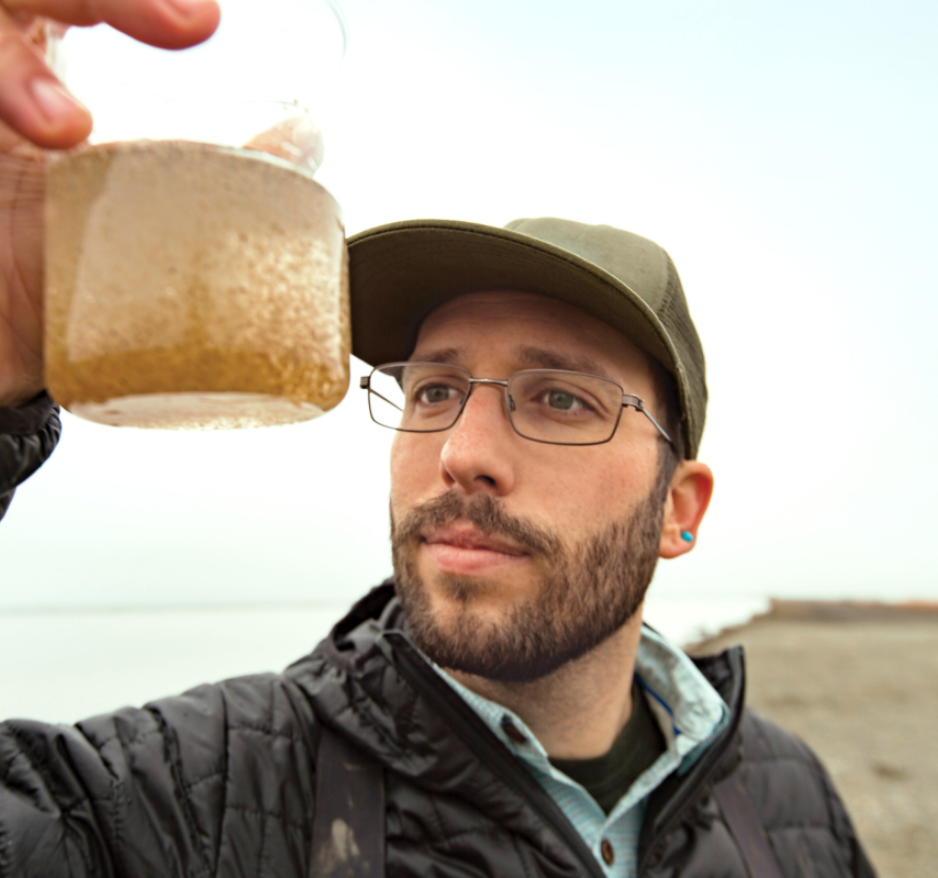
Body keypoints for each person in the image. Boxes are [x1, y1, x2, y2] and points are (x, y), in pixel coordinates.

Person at [0, 4, 874, 877]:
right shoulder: (188, 796)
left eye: (561, 400)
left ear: (676, 511)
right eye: (437, 389)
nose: (461, 453)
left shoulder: (786, 797)